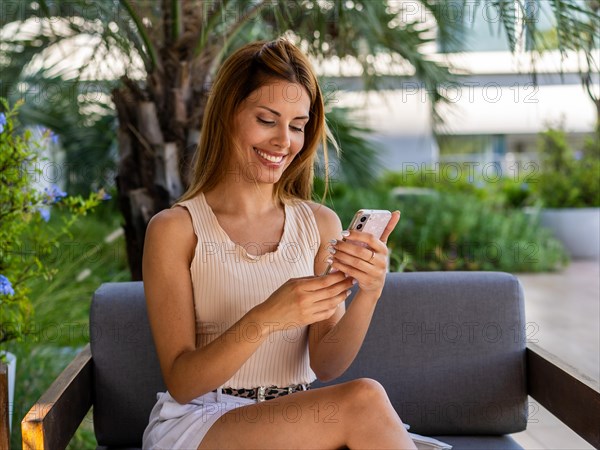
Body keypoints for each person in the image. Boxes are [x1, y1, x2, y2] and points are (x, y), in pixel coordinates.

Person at [141, 38, 415, 450]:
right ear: (228, 115)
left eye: (298, 125)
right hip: (201, 422)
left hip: (292, 424)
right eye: (267, 120)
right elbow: (182, 381)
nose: (284, 141)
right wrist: (271, 315)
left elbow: (326, 365)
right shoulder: (175, 229)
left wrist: (369, 294)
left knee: (364, 405)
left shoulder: (319, 224)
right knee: (364, 400)